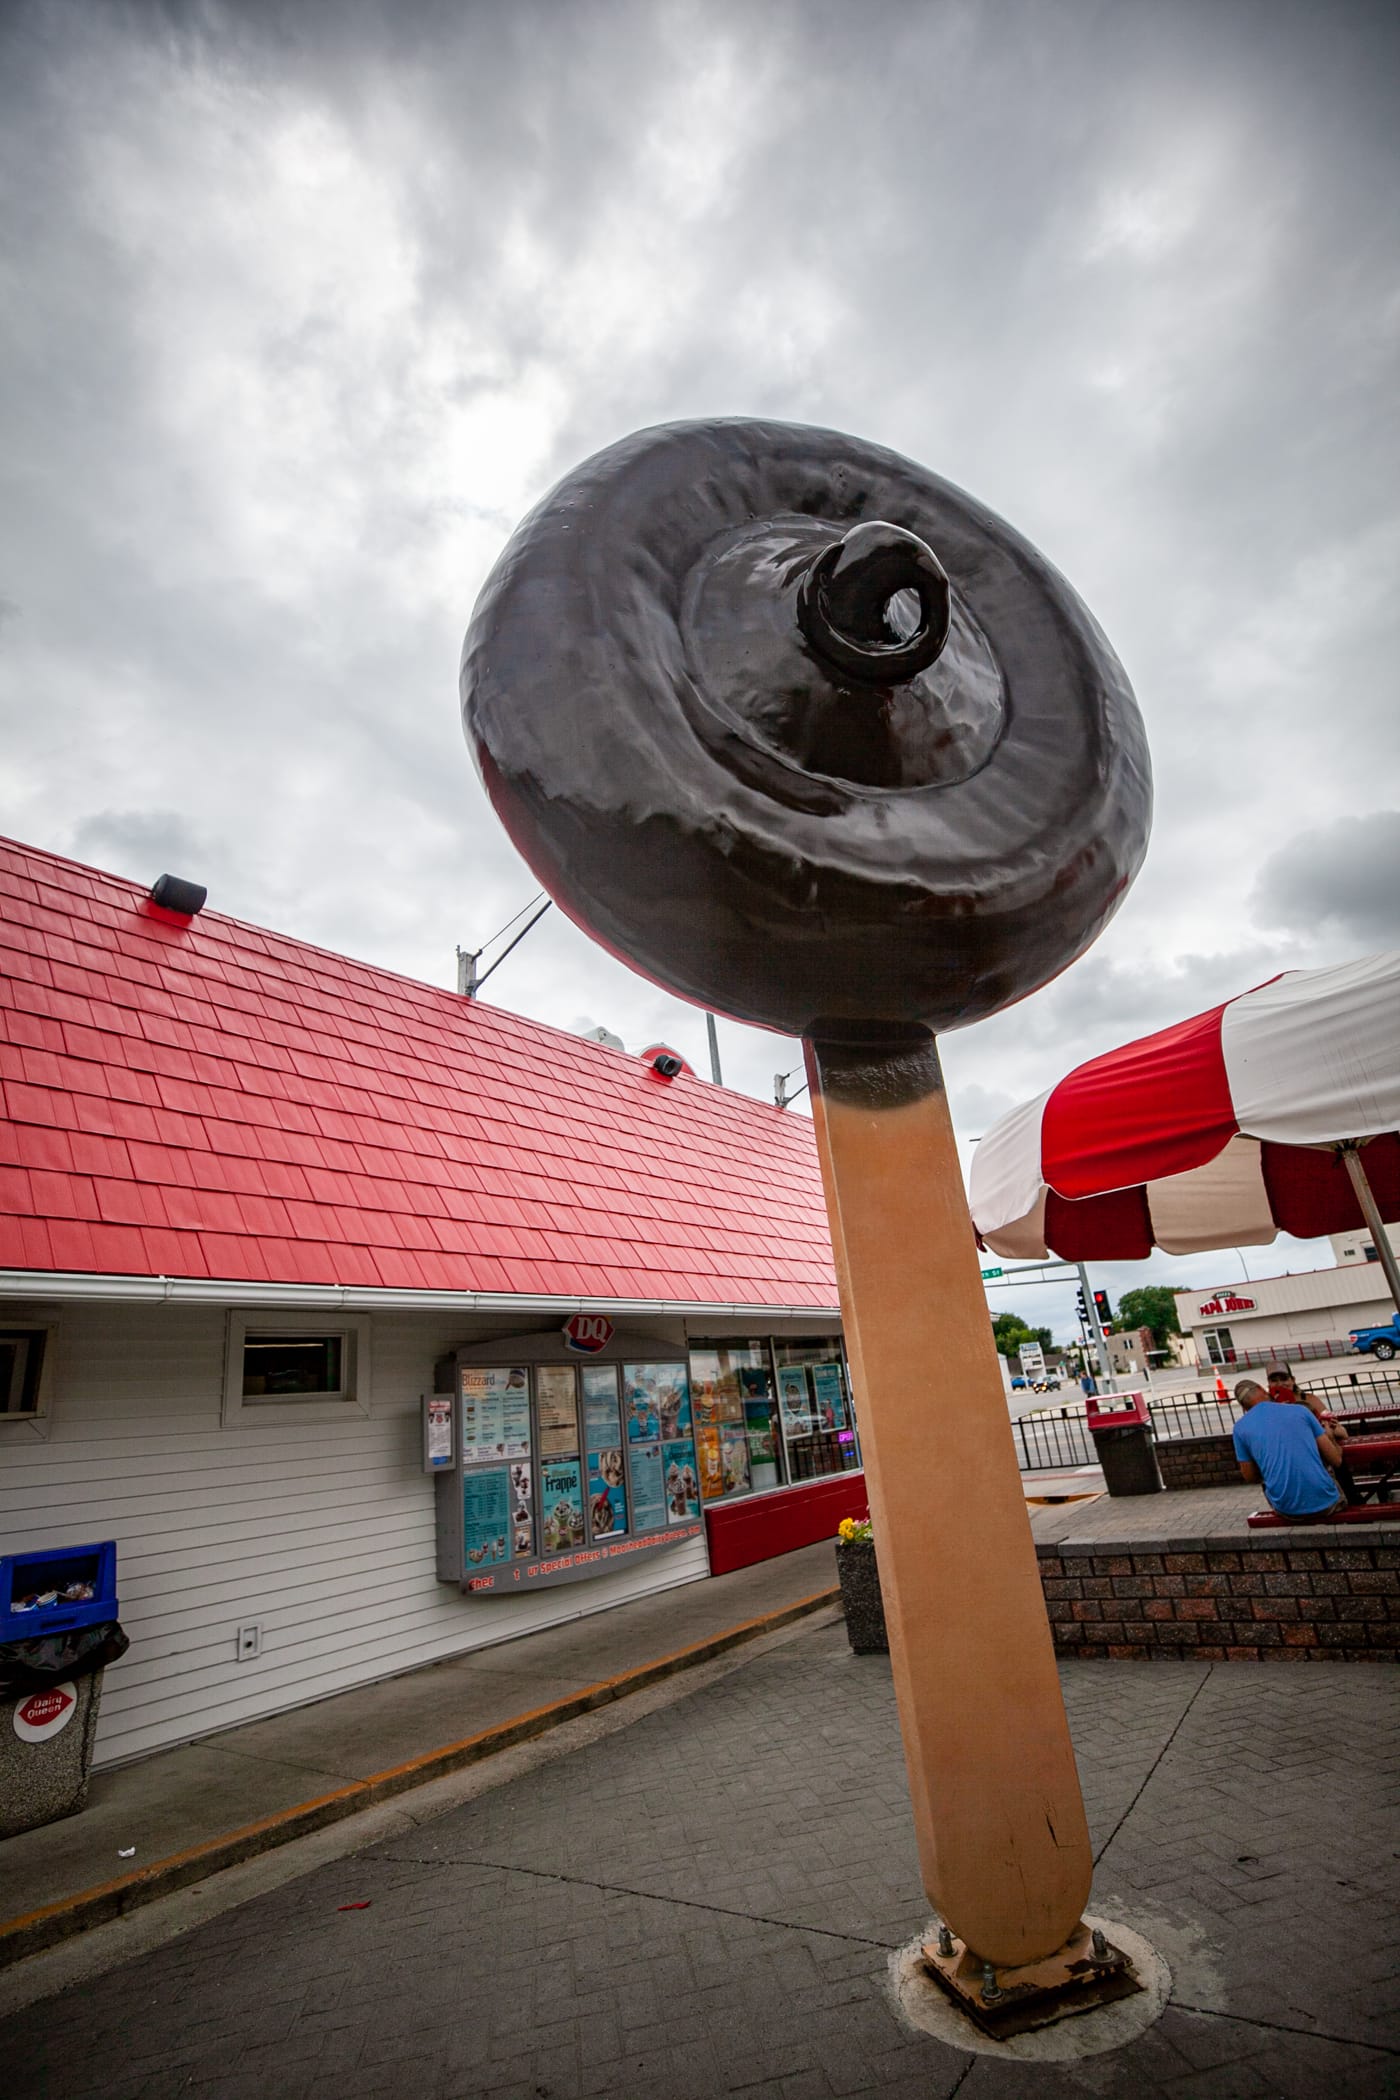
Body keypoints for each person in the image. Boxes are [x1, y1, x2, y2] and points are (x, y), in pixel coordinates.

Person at [1232, 1379, 1346, 1519]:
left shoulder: (1240, 1428)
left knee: (1267, 1483)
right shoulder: (1300, 1410)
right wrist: (1331, 1436)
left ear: (1244, 1407)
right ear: (1262, 1389)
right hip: (1326, 1503)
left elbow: (1250, 1476)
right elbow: (1336, 1460)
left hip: (1286, 1509)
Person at [1266, 1362, 1359, 1502]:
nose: (1280, 1384)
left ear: (1293, 1380)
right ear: (1268, 1384)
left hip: (1322, 1454)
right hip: (1292, 1460)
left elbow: (1341, 1432)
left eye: (1284, 1378)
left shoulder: (1309, 1400)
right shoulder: (1267, 1407)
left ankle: (1352, 1500)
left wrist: (1332, 1426)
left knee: (1336, 1461)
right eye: (1274, 1380)